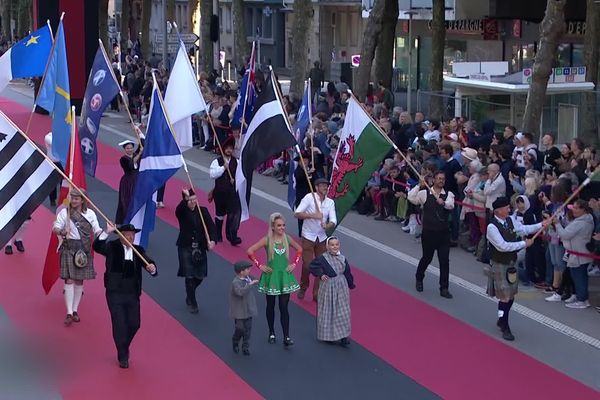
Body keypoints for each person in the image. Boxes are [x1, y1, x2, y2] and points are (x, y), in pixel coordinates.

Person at [93, 223, 158, 369]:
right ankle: (122, 355)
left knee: (135, 324)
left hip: (132, 293)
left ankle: (124, 345)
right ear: (121, 235)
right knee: (119, 324)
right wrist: (106, 232)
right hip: (115, 292)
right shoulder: (112, 247)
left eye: (133, 234)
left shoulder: (138, 250)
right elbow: (97, 247)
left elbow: (148, 262)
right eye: (128, 234)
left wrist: (152, 268)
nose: (130, 237)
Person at [486, 197, 545, 341]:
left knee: (510, 296)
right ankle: (504, 324)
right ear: (498, 211)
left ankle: (501, 318)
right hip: (500, 263)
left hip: (511, 263)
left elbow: (523, 229)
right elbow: (503, 246)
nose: (509, 209)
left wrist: (542, 224)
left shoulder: (510, 220)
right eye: (506, 207)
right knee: (505, 297)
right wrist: (523, 244)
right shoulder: (492, 227)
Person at [247, 213, 302, 347]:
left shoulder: (287, 239)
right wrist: (260, 265)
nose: (282, 228)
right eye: (279, 225)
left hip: (284, 276)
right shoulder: (267, 240)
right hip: (271, 277)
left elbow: (299, 249)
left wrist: (294, 263)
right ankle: (271, 332)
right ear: (272, 226)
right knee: (270, 306)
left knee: (284, 307)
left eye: (283, 225)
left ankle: (286, 336)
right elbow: (250, 251)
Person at [52, 190, 103, 326]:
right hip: (69, 247)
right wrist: (62, 231)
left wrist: (106, 232)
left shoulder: (91, 214)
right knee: (69, 280)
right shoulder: (65, 213)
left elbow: (97, 230)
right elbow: (55, 227)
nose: (73, 200)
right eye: (72, 198)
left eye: (76, 198)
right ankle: (69, 312)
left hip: (84, 249)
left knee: (79, 281)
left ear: (82, 200)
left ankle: (75, 310)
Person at [408, 171, 455, 298]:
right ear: (433, 180)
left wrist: (443, 203)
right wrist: (419, 185)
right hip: (429, 233)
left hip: (443, 234)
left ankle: (444, 288)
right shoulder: (424, 194)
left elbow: (451, 205)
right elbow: (411, 198)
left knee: (444, 261)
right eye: (439, 178)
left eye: (443, 179)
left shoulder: (448, 194)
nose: (441, 181)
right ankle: (419, 278)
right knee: (427, 258)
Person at [294, 178, 337, 301]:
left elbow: (333, 220)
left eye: (326, 186)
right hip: (308, 236)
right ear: (316, 187)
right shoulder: (309, 198)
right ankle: (303, 287)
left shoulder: (330, 202)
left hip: (322, 237)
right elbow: (297, 213)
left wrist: (327, 225)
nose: (325, 187)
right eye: (322, 185)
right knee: (308, 265)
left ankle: (316, 293)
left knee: (321, 266)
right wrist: (312, 215)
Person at [175, 188, 217, 313]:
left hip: (200, 247)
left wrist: (213, 241)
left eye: (195, 199)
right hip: (185, 246)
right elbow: (179, 209)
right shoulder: (182, 212)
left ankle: (190, 291)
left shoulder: (203, 211)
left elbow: (212, 227)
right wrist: (185, 198)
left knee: (199, 276)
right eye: (190, 200)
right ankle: (192, 301)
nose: (193, 202)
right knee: (189, 275)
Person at [309, 236, 355, 347]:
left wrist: (350, 283)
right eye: (332, 245)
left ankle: (344, 336)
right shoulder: (322, 258)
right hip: (328, 287)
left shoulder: (343, 258)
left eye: (336, 244)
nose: (334, 247)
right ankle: (328, 336)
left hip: (341, 286)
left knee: (343, 311)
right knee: (328, 310)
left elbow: (347, 272)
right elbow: (312, 266)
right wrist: (321, 274)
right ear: (328, 247)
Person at [554, 200, 595, 309]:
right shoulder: (585, 220)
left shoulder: (580, 223)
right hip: (579, 253)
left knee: (579, 278)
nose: (574, 210)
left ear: (583, 210)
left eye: (577, 208)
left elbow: (565, 234)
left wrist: (557, 224)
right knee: (579, 277)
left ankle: (582, 300)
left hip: (579, 254)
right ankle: (580, 297)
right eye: (574, 208)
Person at [209, 136, 242, 246]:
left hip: (232, 193)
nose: (229, 150)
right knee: (220, 214)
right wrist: (223, 168)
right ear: (223, 149)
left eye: (231, 148)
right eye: (227, 148)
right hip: (219, 193)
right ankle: (218, 234)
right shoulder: (216, 162)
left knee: (233, 213)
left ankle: (232, 236)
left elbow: (241, 177)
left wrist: (235, 181)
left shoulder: (236, 162)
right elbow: (212, 175)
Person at [229, 261, 259, 356]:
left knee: (247, 330)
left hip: (248, 309)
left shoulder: (247, 279)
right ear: (241, 271)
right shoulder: (236, 282)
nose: (249, 271)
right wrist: (250, 285)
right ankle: (235, 340)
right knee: (240, 328)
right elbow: (240, 292)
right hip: (239, 311)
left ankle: (245, 347)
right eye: (248, 269)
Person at [115, 139, 142, 224]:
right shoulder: (123, 159)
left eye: (131, 148)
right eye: (127, 148)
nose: (129, 150)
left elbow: (142, 144)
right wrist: (140, 153)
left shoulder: (135, 154)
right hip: (128, 182)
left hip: (137, 180)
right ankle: (126, 220)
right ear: (124, 149)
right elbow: (130, 165)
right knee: (127, 201)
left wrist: (139, 132)